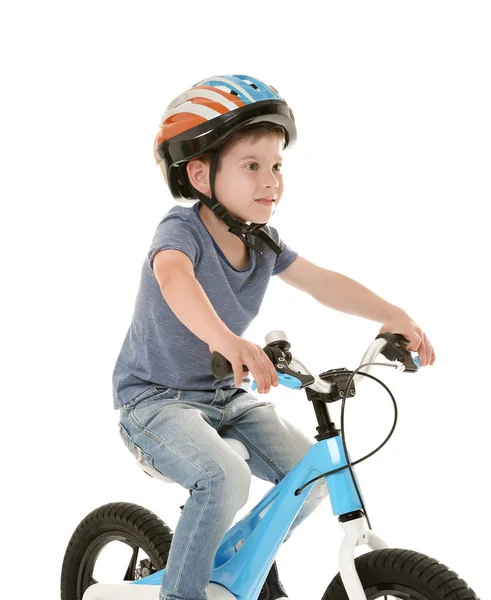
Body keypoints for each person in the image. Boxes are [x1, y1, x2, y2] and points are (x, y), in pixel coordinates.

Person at [113, 74, 435, 600]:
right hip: (153, 402)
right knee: (224, 480)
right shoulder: (180, 231)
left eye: (277, 165)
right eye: (252, 166)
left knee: (307, 480)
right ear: (199, 174)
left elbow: (321, 281)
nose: (272, 180)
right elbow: (175, 279)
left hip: (224, 397)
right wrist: (224, 339)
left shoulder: (262, 242)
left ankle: (239, 571)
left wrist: (391, 313)